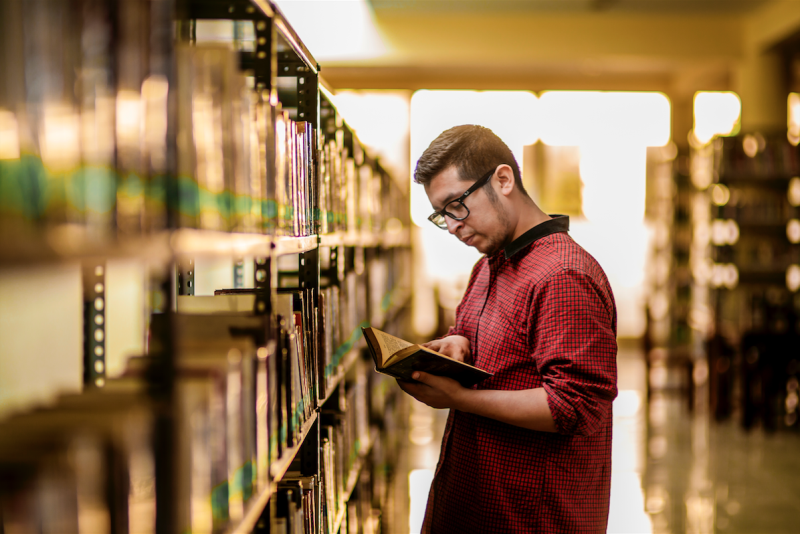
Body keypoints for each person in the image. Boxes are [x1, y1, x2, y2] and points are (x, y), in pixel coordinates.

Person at [398, 125, 618, 533]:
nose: (453, 226)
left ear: (503, 179)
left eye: (456, 205)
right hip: (476, 503)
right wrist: (458, 341)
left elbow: (573, 406)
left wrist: (459, 398)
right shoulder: (487, 264)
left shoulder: (562, 274)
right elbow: (495, 341)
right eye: (441, 215)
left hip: (532, 516)